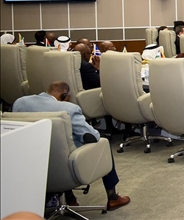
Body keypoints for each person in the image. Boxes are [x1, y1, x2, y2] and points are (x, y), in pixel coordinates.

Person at [12, 81, 131, 211]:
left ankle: (70, 198)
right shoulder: (69, 109)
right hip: (65, 168)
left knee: (57, 146)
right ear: (65, 96)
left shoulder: (20, 103)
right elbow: (92, 136)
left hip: (32, 166)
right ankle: (113, 197)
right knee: (102, 144)